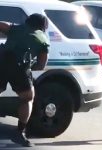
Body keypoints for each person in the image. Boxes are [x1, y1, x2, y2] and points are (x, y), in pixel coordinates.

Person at [0, 13, 50, 147]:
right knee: (28, 97)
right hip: (20, 69)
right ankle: (19, 133)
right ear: (43, 26)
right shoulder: (42, 39)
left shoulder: (15, 28)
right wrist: (29, 67)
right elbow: (41, 65)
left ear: (28, 21)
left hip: (2, 62)